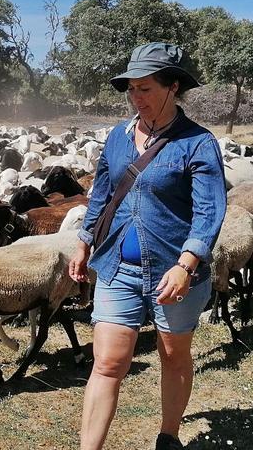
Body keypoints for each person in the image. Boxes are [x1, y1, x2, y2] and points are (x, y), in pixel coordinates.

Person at [71, 42, 227, 450]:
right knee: (107, 362)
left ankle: (168, 436)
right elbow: (102, 194)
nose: (136, 98)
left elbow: (209, 209)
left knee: (173, 356)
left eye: (145, 89)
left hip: (173, 272)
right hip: (118, 267)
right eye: (131, 90)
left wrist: (187, 263)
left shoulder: (196, 142)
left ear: (173, 87)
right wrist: (85, 240)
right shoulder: (118, 138)